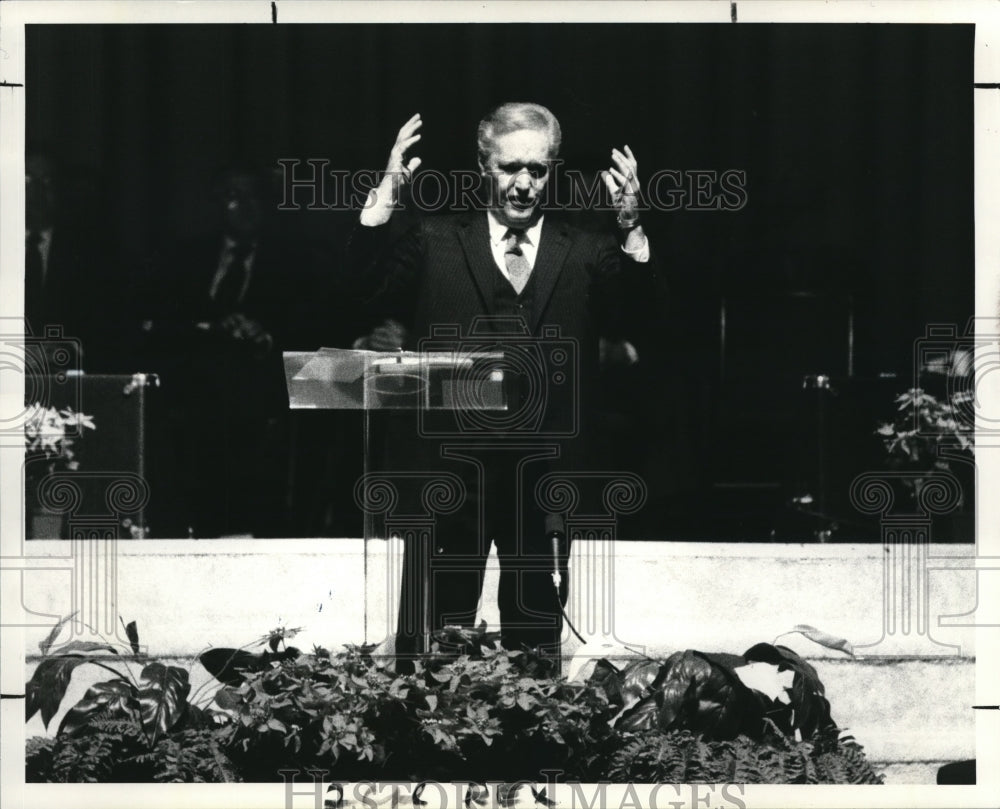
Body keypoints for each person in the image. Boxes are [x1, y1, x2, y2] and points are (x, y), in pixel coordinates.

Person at [349, 103, 659, 668]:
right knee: (433, 644)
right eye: (510, 167)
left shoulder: (586, 250)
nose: (523, 184)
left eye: (538, 170)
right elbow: (359, 292)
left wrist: (631, 227)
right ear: (482, 166)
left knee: (536, 645)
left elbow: (644, 317)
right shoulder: (435, 240)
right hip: (447, 474)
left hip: (543, 481)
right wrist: (385, 199)